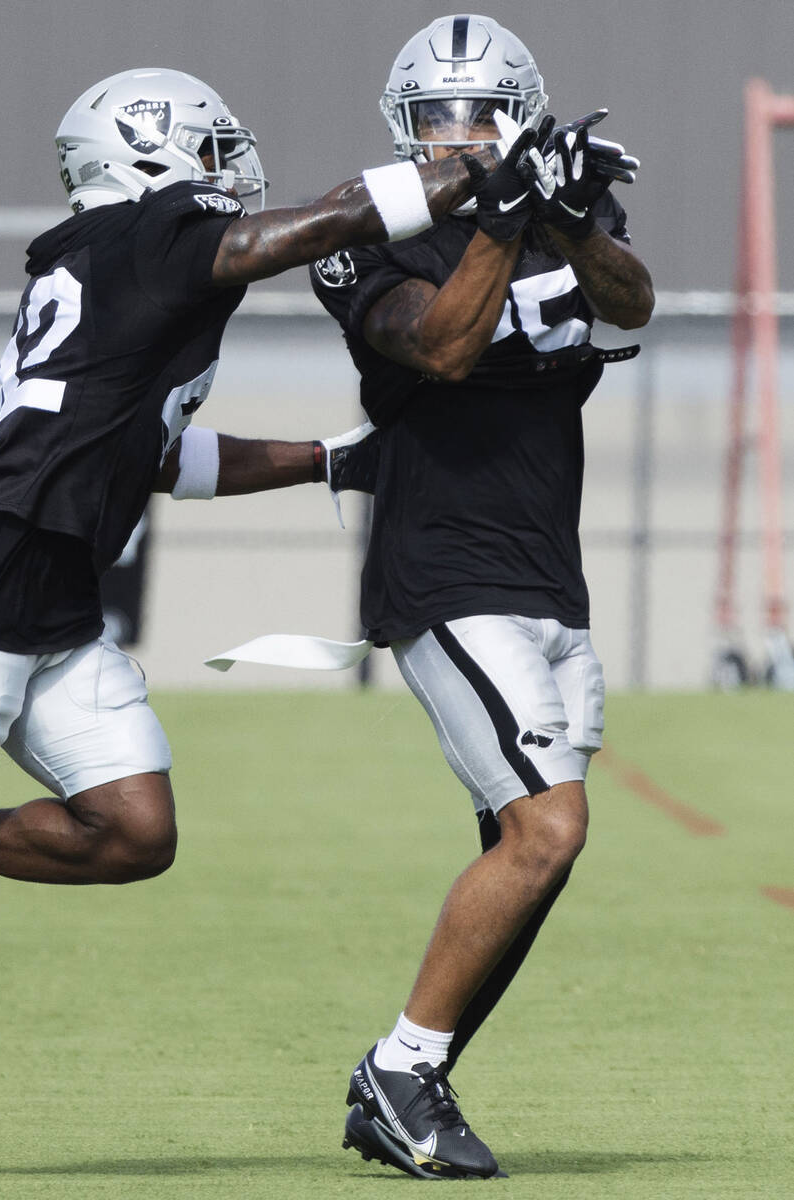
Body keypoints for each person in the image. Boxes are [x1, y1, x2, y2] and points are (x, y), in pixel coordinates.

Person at [0, 65, 522, 1182]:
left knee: (132, 832)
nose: (230, 176)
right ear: (150, 155)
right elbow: (320, 223)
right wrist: (470, 174)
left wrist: (336, 458)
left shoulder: (121, 266)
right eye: (210, 152)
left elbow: (161, 456)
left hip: (59, 592)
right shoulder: (147, 233)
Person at [304, 14, 655, 1181]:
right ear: (403, 130)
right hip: (441, 565)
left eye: (481, 115)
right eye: (436, 121)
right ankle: (400, 1071)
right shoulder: (368, 233)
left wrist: (556, 209)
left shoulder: (552, 202)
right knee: (550, 828)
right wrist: (504, 214)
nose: (458, 138)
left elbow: (633, 299)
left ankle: (414, 1076)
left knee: (529, 854)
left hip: (550, 573)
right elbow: (443, 347)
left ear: (522, 112)